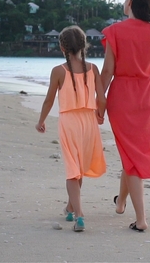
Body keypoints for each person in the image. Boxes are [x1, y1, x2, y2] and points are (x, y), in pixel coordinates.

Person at [100, 0, 150, 232]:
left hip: (123, 95)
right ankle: (120, 203)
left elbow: (108, 70)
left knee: (130, 156)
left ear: (130, 2)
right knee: (131, 153)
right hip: (147, 96)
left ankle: (141, 219)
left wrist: (98, 97)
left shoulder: (115, 31)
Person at [35, 25, 107, 232]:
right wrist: (100, 115)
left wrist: (41, 120)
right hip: (89, 121)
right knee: (79, 168)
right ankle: (69, 207)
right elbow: (101, 98)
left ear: (61, 47)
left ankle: (79, 214)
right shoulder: (93, 68)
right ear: (84, 45)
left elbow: (49, 99)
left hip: (69, 122)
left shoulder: (58, 71)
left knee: (72, 170)